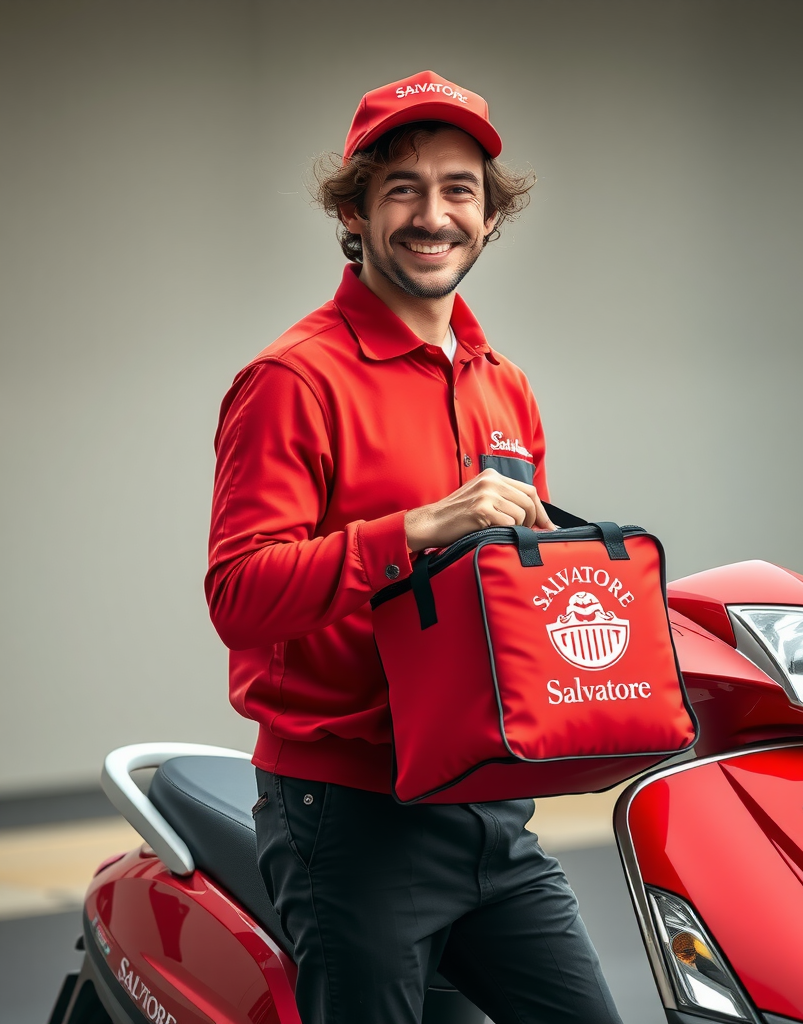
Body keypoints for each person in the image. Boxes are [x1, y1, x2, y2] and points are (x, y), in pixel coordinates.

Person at [206, 70, 623, 1024]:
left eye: (458, 189)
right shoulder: (292, 381)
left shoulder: (502, 383)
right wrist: (419, 528)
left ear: (490, 217)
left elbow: (510, 594)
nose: (432, 215)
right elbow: (239, 594)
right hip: (348, 816)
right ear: (353, 212)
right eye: (403, 189)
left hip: (487, 809)